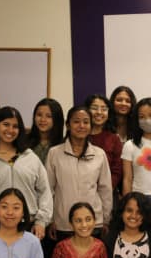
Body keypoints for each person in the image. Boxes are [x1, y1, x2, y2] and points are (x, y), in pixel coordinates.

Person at [0, 106, 53, 241]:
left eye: (15, 126)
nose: (10, 130)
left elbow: (45, 192)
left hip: (29, 228)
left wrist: (41, 221)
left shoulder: (30, 157)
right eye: (6, 125)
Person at [46, 105, 113, 240]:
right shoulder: (54, 153)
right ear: (68, 125)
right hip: (63, 223)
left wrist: (105, 219)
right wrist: (50, 219)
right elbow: (48, 189)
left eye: (86, 122)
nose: (81, 126)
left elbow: (105, 189)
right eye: (76, 121)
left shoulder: (99, 154)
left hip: (93, 222)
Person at [85, 94, 123, 193]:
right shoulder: (78, 137)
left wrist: (105, 189)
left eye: (104, 109)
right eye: (94, 108)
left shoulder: (114, 139)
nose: (99, 112)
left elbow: (117, 171)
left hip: (106, 193)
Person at [27, 98, 65, 166]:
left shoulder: (63, 145)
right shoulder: (24, 142)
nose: (42, 119)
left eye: (48, 116)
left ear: (57, 119)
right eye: (39, 115)